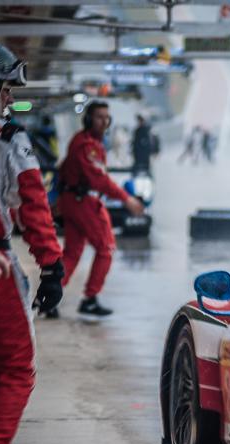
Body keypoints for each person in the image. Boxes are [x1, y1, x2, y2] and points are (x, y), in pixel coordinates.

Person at [0, 39, 65, 444]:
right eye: (6, 89)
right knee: (14, 368)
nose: (10, 98)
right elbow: (33, 205)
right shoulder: (8, 139)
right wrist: (51, 266)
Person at [55, 100, 144, 317]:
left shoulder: (84, 141)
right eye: (99, 117)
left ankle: (50, 298)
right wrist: (127, 199)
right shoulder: (87, 146)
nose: (104, 122)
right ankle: (90, 299)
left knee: (72, 253)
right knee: (106, 248)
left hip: (73, 201)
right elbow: (99, 180)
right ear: (88, 119)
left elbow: (65, 170)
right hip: (84, 202)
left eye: (107, 117)